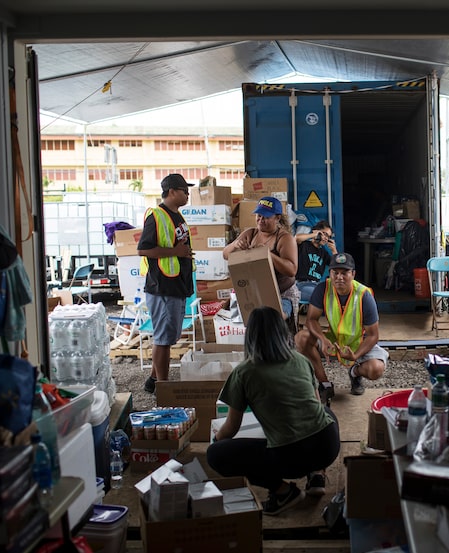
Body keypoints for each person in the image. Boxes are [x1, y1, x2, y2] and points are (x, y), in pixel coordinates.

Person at [206, 306, 340, 516]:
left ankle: (284, 492)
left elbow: (231, 428)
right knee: (325, 413)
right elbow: (315, 404)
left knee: (215, 455)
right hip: (328, 446)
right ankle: (316, 474)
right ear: (282, 333)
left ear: (249, 336)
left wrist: (216, 439)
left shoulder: (244, 372)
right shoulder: (301, 360)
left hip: (291, 459)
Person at [295, 252, 388, 402]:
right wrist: (323, 339)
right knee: (301, 339)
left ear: (353, 274)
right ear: (329, 273)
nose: (339, 277)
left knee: (376, 369)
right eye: (335, 272)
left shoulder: (364, 295)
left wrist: (356, 356)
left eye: (344, 273)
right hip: (333, 340)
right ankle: (325, 384)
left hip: (358, 342)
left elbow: (373, 335)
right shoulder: (322, 289)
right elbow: (311, 320)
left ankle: (354, 373)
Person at [136, 173, 195, 394]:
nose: (187, 194)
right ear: (171, 191)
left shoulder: (177, 216)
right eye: (184, 191)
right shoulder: (157, 215)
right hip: (162, 286)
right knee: (162, 338)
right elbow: (143, 249)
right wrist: (176, 252)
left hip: (176, 285)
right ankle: (163, 386)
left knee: (169, 335)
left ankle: (153, 379)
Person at [223, 196, 299, 321]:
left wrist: (268, 254)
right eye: (258, 215)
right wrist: (234, 245)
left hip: (283, 294)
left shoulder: (284, 239)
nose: (261, 220)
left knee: (274, 321)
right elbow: (225, 255)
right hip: (255, 292)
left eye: (266, 217)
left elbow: (292, 270)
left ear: (277, 218)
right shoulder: (250, 234)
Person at [295, 220, 337, 303]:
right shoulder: (304, 245)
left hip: (317, 285)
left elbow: (337, 266)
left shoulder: (324, 253)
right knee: (324, 297)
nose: (326, 238)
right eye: (324, 234)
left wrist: (334, 250)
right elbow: (296, 238)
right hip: (301, 285)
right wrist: (313, 234)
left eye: (328, 236)